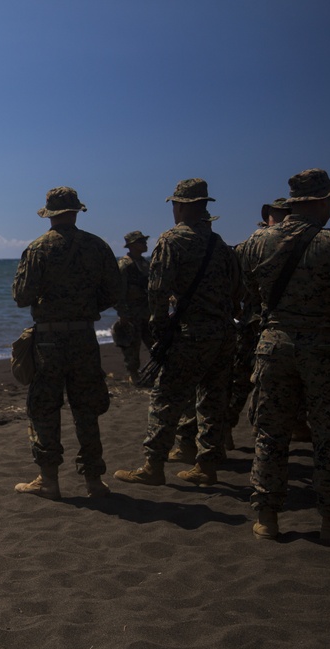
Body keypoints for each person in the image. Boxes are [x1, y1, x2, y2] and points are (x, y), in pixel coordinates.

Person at [240, 168, 330, 542]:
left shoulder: (256, 242)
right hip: (326, 346)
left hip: (273, 344)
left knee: (270, 432)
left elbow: (250, 292)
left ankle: (267, 517)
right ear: (324, 201)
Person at [114, 178, 240, 487]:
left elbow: (157, 291)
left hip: (190, 333)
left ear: (181, 205)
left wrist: (159, 329)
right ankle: (207, 465)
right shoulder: (220, 244)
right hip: (223, 333)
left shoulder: (172, 240)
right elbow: (238, 289)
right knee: (212, 399)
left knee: (165, 396)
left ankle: (152, 466)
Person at [12, 186, 120, 499]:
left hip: (49, 338)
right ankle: (94, 481)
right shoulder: (97, 246)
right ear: (75, 211)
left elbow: (21, 296)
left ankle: (49, 480)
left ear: (49, 214)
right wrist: (85, 306)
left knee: (45, 407)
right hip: (84, 335)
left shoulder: (38, 248)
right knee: (86, 408)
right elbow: (115, 290)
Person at [225, 199, 293, 447]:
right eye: (277, 215)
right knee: (242, 379)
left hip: (271, 325)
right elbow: (232, 284)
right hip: (255, 323)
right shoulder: (250, 246)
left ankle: (251, 428)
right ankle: (227, 428)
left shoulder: (252, 246)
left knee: (266, 383)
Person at [114, 231, 154, 385]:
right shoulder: (125, 264)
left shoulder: (145, 263)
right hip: (132, 312)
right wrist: (122, 313)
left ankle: (153, 373)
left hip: (146, 310)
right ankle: (133, 375)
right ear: (131, 245)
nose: (144, 244)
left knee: (154, 343)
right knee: (132, 346)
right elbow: (119, 291)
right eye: (140, 242)